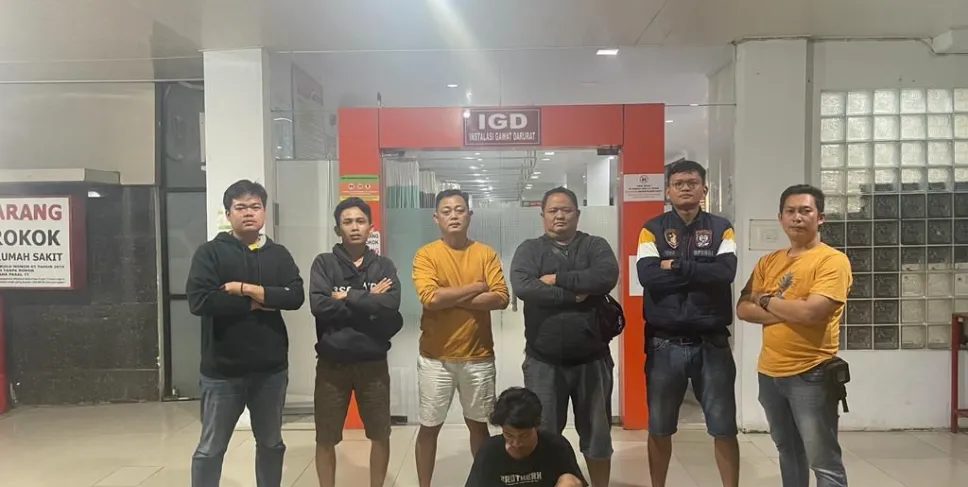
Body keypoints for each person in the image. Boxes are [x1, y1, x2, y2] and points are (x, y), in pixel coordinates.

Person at [186, 179, 305, 487]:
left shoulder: (278, 254)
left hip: (271, 370)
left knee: (271, 443)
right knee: (211, 448)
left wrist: (244, 289)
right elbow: (201, 301)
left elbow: (295, 296)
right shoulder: (210, 253)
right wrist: (260, 301)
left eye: (255, 206)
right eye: (240, 207)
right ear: (228, 214)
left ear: (264, 212)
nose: (249, 213)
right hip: (222, 371)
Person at [736, 184, 851, 487]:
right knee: (788, 451)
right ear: (780, 217)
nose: (797, 217)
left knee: (823, 460)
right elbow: (742, 308)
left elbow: (813, 313)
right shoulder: (769, 261)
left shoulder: (832, 261)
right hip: (770, 373)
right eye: (790, 211)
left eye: (805, 211)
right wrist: (791, 308)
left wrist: (764, 300)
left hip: (811, 373)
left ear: (820, 217)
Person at [635, 160, 739, 487]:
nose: (685, 188)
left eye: (692, 182)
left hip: (713, 343)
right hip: (664, 343)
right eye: (678, 183)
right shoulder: (651, 229)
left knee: (724, 427)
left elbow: (725, 273)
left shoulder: (722, 228)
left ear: (704, 189)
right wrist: (699, 271)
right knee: (659, 427)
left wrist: (676, 266)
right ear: (667, 191)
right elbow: (648, 276)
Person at [509, 187, 619, 487]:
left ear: (577, 214)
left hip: (592, 360)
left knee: (597, 436)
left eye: (566, 210)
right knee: (542, 435)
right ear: (543, 215)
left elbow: (605, 277)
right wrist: (575, 295)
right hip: (543, 362)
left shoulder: (595, 245)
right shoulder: (530, 249)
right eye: (553, 210)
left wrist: (556, 279)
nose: (560, 215)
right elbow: (524, 286)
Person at [412, 189, 510, 487]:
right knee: (429, 427)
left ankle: (482, 483)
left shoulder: (485, 253)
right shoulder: (426, 254)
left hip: (478, 357)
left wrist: (450, 296)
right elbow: (430, 299)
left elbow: (501, 298)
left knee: (479, 427)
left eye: (459, 210)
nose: (453, 216)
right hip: (435, 358)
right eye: (446, 211)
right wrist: (476, 287)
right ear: (436, 218)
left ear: (469, 214)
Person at [308, 197, 403, 487]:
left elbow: (391, 305)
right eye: (347, 222)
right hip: (332, 365)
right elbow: (319, 306)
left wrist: (347, 296)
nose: (354, 227)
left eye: (360, 221)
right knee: (325, 437)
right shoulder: (324, 263)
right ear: (338, 229)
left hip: (373, 364)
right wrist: (369, 300)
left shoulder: (383, 265)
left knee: (380, 434)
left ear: (370, 227)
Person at [465, 387, 587, 487]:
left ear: (537, 426)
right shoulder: (490, 450)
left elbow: (576, 482)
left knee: (570, 482)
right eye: (509, 435)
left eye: (524, 435)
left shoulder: (556, 446)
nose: (516, 443)